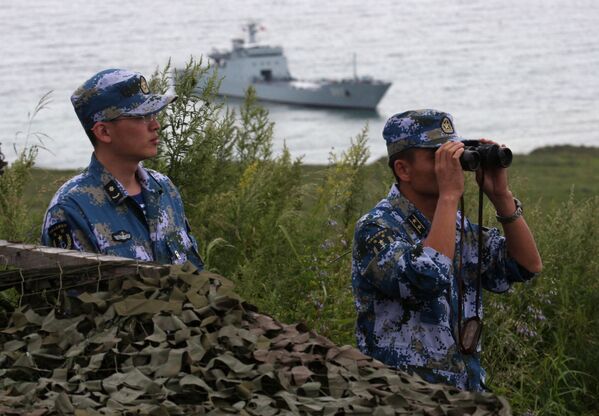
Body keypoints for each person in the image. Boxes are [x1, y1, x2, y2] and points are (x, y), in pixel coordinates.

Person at [351, 109, 542, 391]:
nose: (451, 165)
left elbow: (525, 265)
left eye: (454, 154)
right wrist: (450, 195)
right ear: (403, 169)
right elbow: (427, 279)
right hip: (401, 396)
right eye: (438, 157)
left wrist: (501, 196)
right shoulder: (376, 228)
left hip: (464, 391)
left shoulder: (456, 225)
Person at [41, 69, 203, 270]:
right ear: (104, 131)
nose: (155, 125)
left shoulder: (164, 189)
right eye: (141, 117)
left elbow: (194, 274)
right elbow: (76, 297)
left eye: (153, 114)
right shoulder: (71, 208)